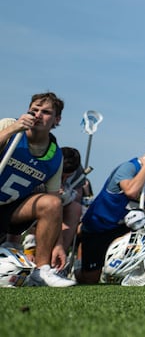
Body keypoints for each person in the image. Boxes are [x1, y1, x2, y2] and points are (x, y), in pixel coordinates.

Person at [77, 137, 145, 284]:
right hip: (101, 225)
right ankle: (79, 258)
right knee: (89, 279)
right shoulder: (129, 167)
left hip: (125, 228)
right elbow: (131, 191)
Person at [0, 92, 75, 287]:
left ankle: (42, 271)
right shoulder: (9, 125)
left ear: (56, 119)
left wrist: (57, 245)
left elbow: (54, 208)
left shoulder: (55, 156)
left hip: (8, 210)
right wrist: (12, 130)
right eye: (34, 110)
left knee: (52, 202)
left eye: (46, 112)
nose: (38, 115)